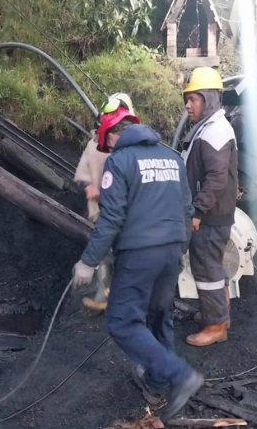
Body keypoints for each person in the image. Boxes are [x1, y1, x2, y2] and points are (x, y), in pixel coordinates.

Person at [71, 107, 203, 421]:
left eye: (107, 144)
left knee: (121, 320)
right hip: (172, 249)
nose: (108, 151)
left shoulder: (120, 160)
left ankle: (180, 374)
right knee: (159, 316)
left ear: (113, 135)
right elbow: (187, 208)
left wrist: (88, 261)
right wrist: (179, 247)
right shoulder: (171, 157)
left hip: (140, 252)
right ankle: (158, 384)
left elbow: (112, 217)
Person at [179, 67, 239, 347]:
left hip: (210, 217)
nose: (188, 106)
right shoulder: (210, 127)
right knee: (212, 266)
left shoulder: (215, 131)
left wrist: (197, 211)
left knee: (206, 269)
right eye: (187, 100)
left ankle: (215, 327)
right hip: (214, 215)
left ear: (209, 99)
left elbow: (216, 178)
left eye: (194, 99)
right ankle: (220, 315)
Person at [73, 93, 136, 311]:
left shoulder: (134, 147)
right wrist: (89, 186)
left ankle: (120, 298)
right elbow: (81, 173)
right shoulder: (94, 144)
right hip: (101, 211)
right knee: (104, 254)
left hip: (128, 213)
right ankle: (104, 296)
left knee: (125, 253)